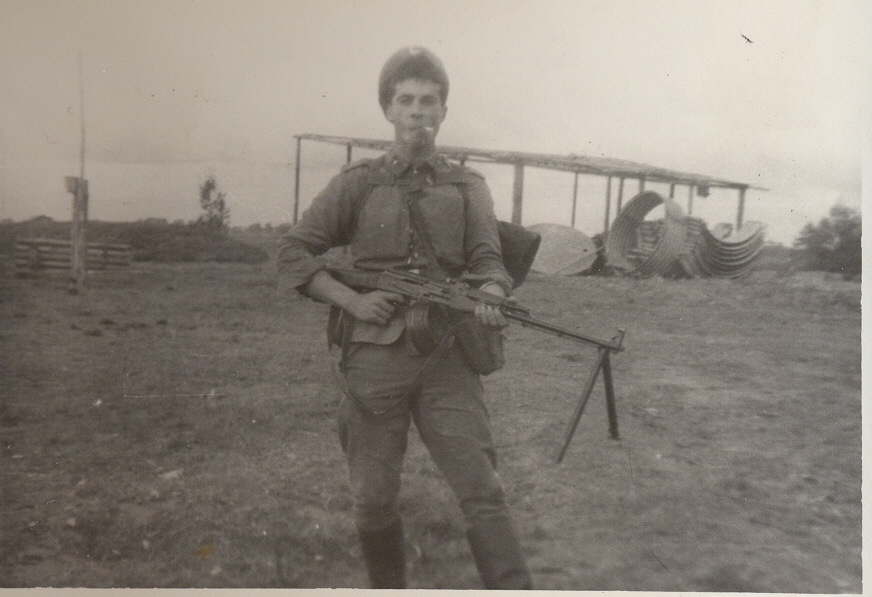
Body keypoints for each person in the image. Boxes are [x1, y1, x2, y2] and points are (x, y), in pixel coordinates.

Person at [277, 46, 532, 590]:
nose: (418, 111)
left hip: (448, 355)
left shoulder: (468, 186)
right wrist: (352, 302)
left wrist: (491, 292)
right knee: (372, 497)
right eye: (407, 100)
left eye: (429, 101)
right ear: (388, 110)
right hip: (374, 358)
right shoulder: (358, 183)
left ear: (443, 112)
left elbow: (489, 259)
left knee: (482, 489)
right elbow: (294, 251)